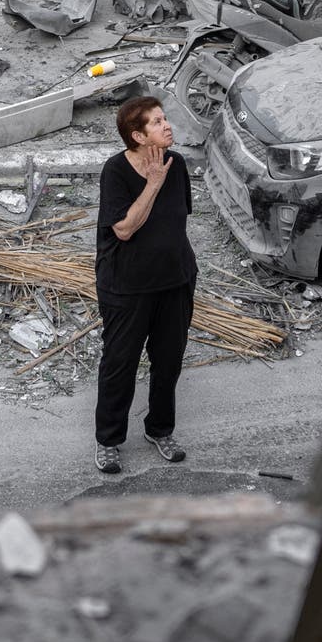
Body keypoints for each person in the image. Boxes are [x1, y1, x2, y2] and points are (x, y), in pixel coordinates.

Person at [93, 93, 196, 474]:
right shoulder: (116, 172)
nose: (166, 125)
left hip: (175, 281)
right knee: (120, 364)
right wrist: (152, 183)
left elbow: (176, 219)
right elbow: (123, 229)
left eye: (164, 118)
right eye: (156, 122)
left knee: (168, 361)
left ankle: (160, 430)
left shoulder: (177, 163)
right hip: (126, 287)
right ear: (137, 137)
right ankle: (108, 440)